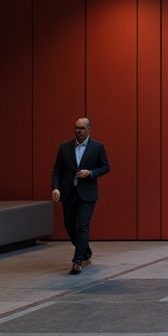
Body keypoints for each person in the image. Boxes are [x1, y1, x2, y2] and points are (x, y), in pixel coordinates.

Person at [51, 117, 109, 274]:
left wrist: (90, 173)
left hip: (87, 194)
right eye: (76, 128)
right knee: (70, 227)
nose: (78, 131)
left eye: (82, 128)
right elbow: (57, 170)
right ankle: (86, 252)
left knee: (82, 226)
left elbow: (105, 167)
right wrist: (55, 188)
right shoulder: (65, 147)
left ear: (89, 129)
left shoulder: (97, 147)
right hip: (69, 194)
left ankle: (77, 260)